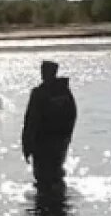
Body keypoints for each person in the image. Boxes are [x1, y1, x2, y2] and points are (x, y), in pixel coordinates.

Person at [22, 60, 77, 189]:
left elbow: (30, 120)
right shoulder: (64, 92)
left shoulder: (40, 93)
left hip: (45, 143)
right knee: (53, 173)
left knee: (45, 176)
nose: (43, 74)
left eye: (45, 71)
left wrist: (27, 144)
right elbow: (72, 115)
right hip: (55, 142)